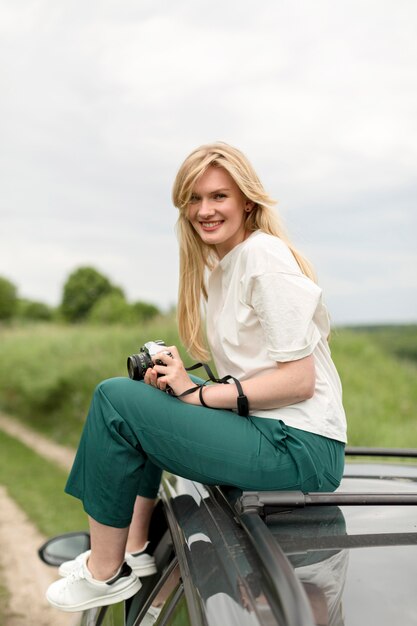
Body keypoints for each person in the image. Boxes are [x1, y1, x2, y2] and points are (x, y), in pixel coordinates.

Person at [46, 142, 347, 612]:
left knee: (113, 399)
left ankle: (104, 574)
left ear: (247, 201)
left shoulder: (263, 256)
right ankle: (135, 552)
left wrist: (198, 394)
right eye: (194, 198)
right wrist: (183, 386)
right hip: (269, 429)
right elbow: (254, 374)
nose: (204, 210)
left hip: (301, 444)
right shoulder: (221, 269)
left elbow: (298, 382)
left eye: (218, 197)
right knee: (144, 404)